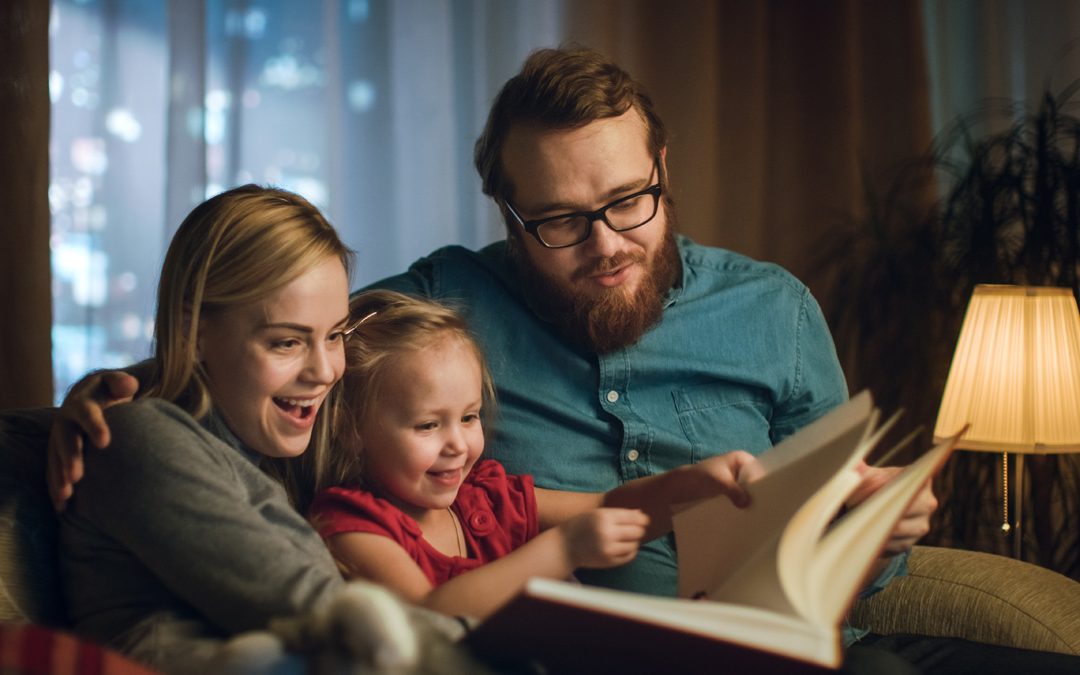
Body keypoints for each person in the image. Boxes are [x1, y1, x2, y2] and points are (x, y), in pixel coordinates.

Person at [50, 48, 1080, 673]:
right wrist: (119, 388)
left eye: (629, 201)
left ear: (663, 169)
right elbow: (275, 353)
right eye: (557, 222)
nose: (606, 247)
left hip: (801, 654)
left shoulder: (774, 311)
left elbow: (855, 562)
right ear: (505, 211)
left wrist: (876, 531)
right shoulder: (434, 305)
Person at [57, 185, 473, 673]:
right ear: (197, 332)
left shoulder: (282, 439)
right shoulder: (137, 438)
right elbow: (318, 610)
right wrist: (493, 644)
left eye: (335, 335)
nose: (324, 371)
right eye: (286, 343)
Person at [309, 289, 762, 619]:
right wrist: (563, 549)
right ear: (351, 431)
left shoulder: (482, 497)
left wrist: (694, 484)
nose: (458, 445)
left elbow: (609, 506)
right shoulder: (350, 525)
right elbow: (430, 618)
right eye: (428, 425)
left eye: (469, 417)